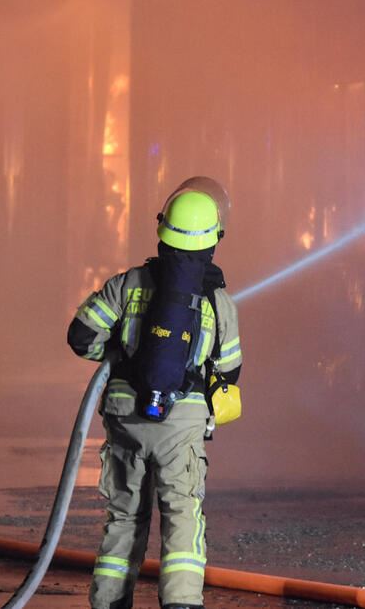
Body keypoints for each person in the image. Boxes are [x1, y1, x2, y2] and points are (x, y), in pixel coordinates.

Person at [67, 177, 243, 609]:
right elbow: (229, 371)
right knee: (182, 517)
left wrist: (119, 358)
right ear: (213, 240)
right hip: (180, 425)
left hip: (125, 416)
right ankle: (181, 604)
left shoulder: (127, 284)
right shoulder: (219, 303)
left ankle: (110, 601)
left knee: (125, 516)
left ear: (162, 230)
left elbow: (81, 336)